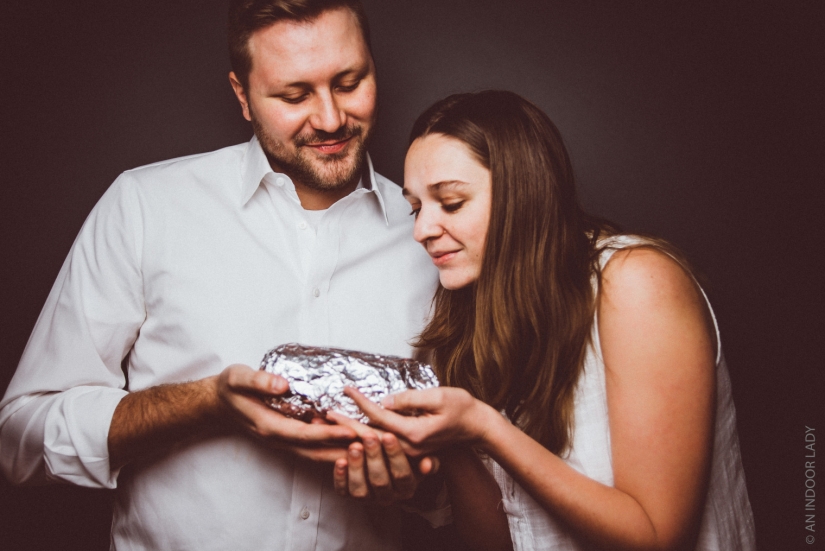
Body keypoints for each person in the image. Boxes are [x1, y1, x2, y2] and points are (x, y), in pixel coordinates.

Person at [0, 1, 439, 549]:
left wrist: (419, 489)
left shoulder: (435, 239)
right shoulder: (147, 207)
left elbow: (468, 479)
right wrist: (204, 404)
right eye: (294, 95)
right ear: (242, 95)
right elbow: (19, 438)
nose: (330, 118)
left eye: (349, 82)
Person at [335, 90, 757, 551]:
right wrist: (449, 437)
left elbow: (658, 539)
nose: (421, 230)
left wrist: (484, 427)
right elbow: (499, 542)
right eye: (416, 208)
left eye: (451, 203)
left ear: (524, 192)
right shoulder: (468, 315)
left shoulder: (635, 283)